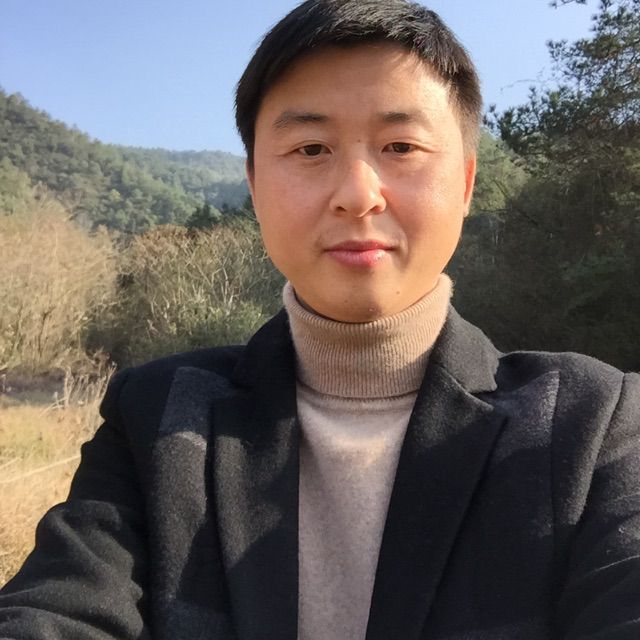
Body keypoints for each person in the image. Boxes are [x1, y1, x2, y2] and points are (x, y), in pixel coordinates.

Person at [1, 0, 639, 638]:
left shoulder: (593, 424)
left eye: (401, 146)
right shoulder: (155, 417)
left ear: (466, 183)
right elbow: (61, 609)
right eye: (311, 148)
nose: (358, 195)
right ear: (254, 185)